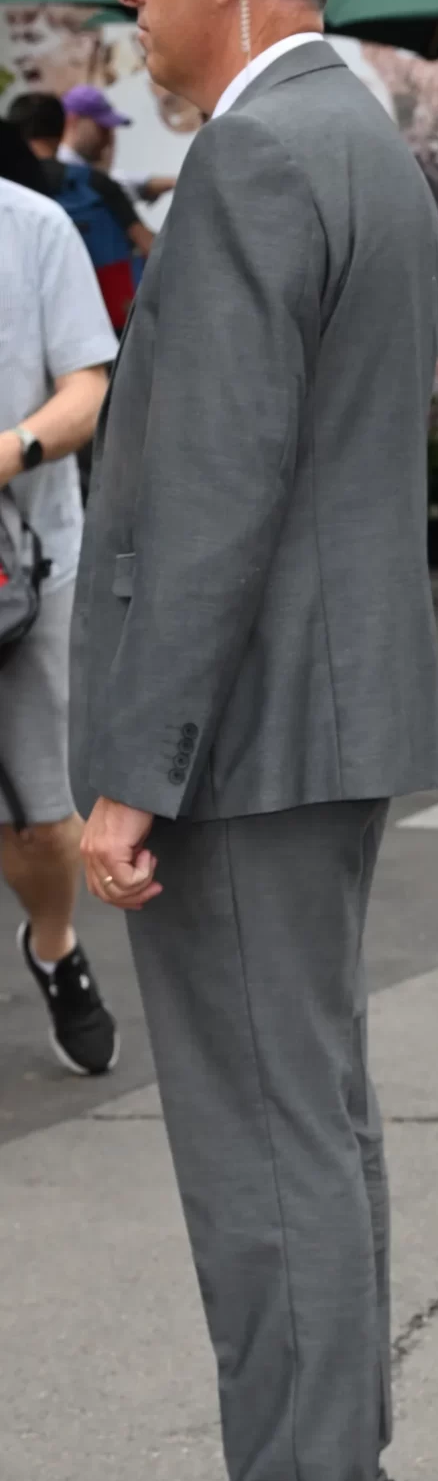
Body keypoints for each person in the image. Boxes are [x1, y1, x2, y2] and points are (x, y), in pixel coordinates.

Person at [69, 0, 438, 1481]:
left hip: (246, 730)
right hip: (321, 710)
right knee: (315, 1114)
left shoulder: (257, 154)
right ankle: (318, 1474)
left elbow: (208, 498)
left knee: (262, 1132)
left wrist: (132, 773)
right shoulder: (354, 136)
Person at [0, 126, 119, 1076]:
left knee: (42, 822)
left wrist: (11, 449)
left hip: (29, 571)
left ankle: (52, 943)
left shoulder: (35, 228)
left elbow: (88, 390)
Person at [8, 90, 152, 330]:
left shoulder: (11, 195)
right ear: (62, 127)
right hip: (113, 321)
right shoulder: (93, 182)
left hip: (42, 325)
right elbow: (147, 243)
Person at [61, 81, 178, 205]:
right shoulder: (64, 171)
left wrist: (174, 182)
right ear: (73, 121)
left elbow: (119, 181)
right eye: (102, 128)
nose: (108, 138)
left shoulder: (83, 167)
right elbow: (111, 187)